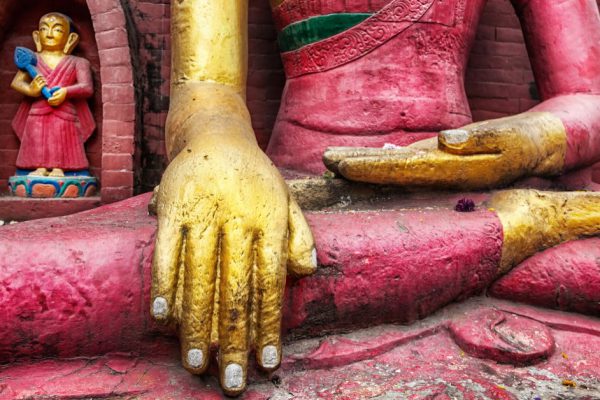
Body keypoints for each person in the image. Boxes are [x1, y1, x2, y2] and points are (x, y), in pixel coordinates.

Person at [152, 0, 600, 395]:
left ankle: (508, 230)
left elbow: (587, 94)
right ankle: (515, 232)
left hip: (468, 187)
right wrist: (221, 151)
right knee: (145, 270)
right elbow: (206, 86)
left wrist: (532, 139)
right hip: (301, 194)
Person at [10, 12, 95, 178]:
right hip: (37, 111)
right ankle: (39, 167)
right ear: (37, 36)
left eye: (57, 30)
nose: (49, 34)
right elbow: (16, 83)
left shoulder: (79, 62)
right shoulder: (32, 60)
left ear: (70, 39)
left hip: (64, 111)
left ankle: (61, 168)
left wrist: (66, 91)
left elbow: (86, 88)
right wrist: (32, 90)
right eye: (44, 29)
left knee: (61, 136)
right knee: (37, 136)